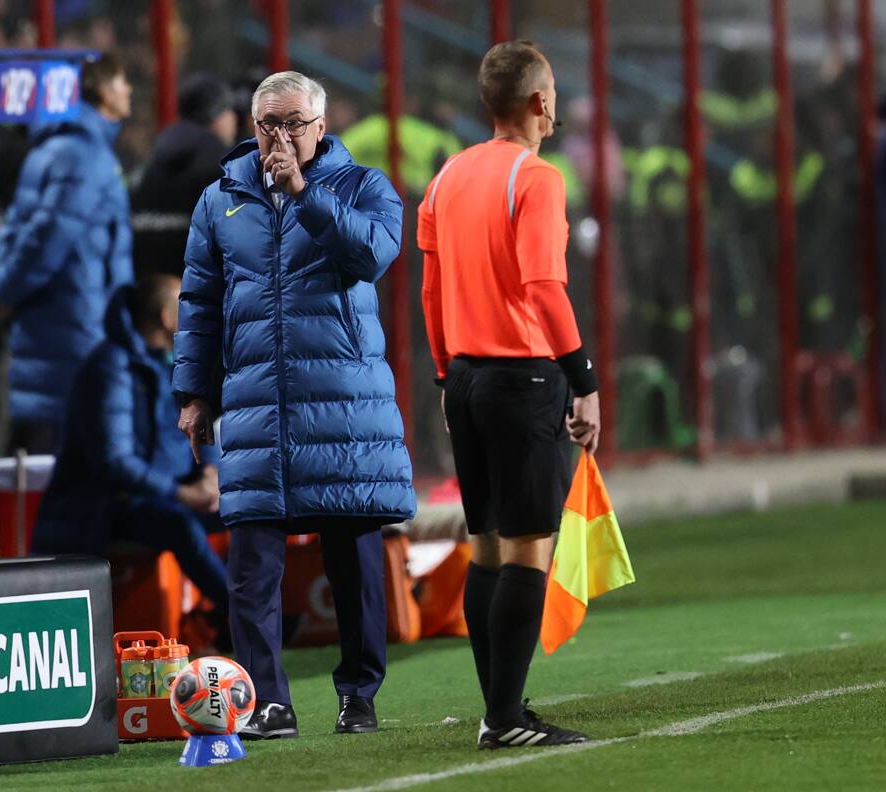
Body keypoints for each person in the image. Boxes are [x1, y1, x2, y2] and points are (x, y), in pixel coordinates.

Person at [173, 71, 416, 739]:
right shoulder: (218, 198)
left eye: (292, 123)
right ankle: (269, 702)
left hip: (343, 408)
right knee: (250, 566)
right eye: (267, 124)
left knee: (354, 562)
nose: (279, 137)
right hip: (256, 406)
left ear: (320, 126)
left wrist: (304, 195)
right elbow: (198, 303)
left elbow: (372, 255)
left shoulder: (364, 187)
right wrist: (194, 392)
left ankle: (359, 695)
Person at [418, 40, 600, 749]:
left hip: (463, 378)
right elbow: (544, 287)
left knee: (487, 546)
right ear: (537, 102)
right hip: (524, 377)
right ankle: (504, 719)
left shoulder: (447, 177)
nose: (554, 104)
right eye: (550, 91)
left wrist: (442, 373)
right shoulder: (537, 178)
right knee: (528, 548)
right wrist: (582, 378)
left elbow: (431, 290)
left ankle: (502, 707)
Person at [34, 276, 228, 627]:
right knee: (180, 525)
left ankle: (234, 615)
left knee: (251, 511)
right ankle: (246, 617)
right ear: (167, 318)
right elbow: (114, 462)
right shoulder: (111, 367)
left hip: (167, 495)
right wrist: (183, 494)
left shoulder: (176, 364)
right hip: (106, 506)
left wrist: (209, 474)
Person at [0, 52, 134, 454]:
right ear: (103, 92)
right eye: (123, 81)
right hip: (75, 330)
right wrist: (8, 290)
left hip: (58, 327)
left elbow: (19, 231)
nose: (130, 90)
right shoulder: (81, 155)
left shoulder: (56, 147)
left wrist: (7, 289)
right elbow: (46, 238)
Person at [130, 73, 239, 279]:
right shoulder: (222, 163)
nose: (234, 119)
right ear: (217, 114)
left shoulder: (152, 157)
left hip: (148, 281)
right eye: (229, 110)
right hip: (198, 284)